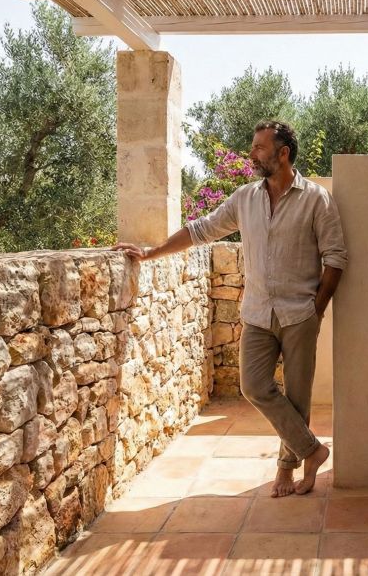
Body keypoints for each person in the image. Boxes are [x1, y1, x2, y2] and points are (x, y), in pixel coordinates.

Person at [113, 121, 346, 497]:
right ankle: (312, 451)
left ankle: (289, 470)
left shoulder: (316, 199)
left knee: (298, 396)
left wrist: (316, 310)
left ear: (282, 153)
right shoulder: (244, 199)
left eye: (259, 148)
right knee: (254, 386)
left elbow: (335, 258)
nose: (252, 154)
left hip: (300, 313)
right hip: (256, 313)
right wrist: (151, 253)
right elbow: (200, 230)